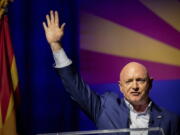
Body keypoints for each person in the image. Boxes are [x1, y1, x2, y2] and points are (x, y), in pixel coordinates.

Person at [42, 10, 180, 135]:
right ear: (121, 86)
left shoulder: (170, 120)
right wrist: (56, 45)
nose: (135, 86)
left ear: (150, 83)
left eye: (140, 80)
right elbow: (75, 87)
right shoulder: (105, 108)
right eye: (129, 81)